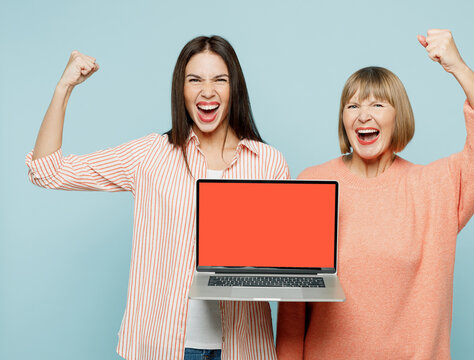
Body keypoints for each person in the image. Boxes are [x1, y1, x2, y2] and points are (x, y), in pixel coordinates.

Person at [26, 36, 288, 360]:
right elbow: (46, 171)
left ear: (235, 89)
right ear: (181, 89)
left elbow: (276, 259)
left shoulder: (268, 163)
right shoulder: (150, 155)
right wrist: (64, 87)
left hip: (243, 348)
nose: (207, 91)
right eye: (195, 80)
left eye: (220, 79)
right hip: (163, 346)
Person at [276, 29, 474, 359]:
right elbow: (293, 309)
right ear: (344, 119)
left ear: (398, 116)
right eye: (353, 105)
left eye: (378, 104)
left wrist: (458, 66)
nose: (364, 115)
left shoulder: (435, 188)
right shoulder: (314, 182)